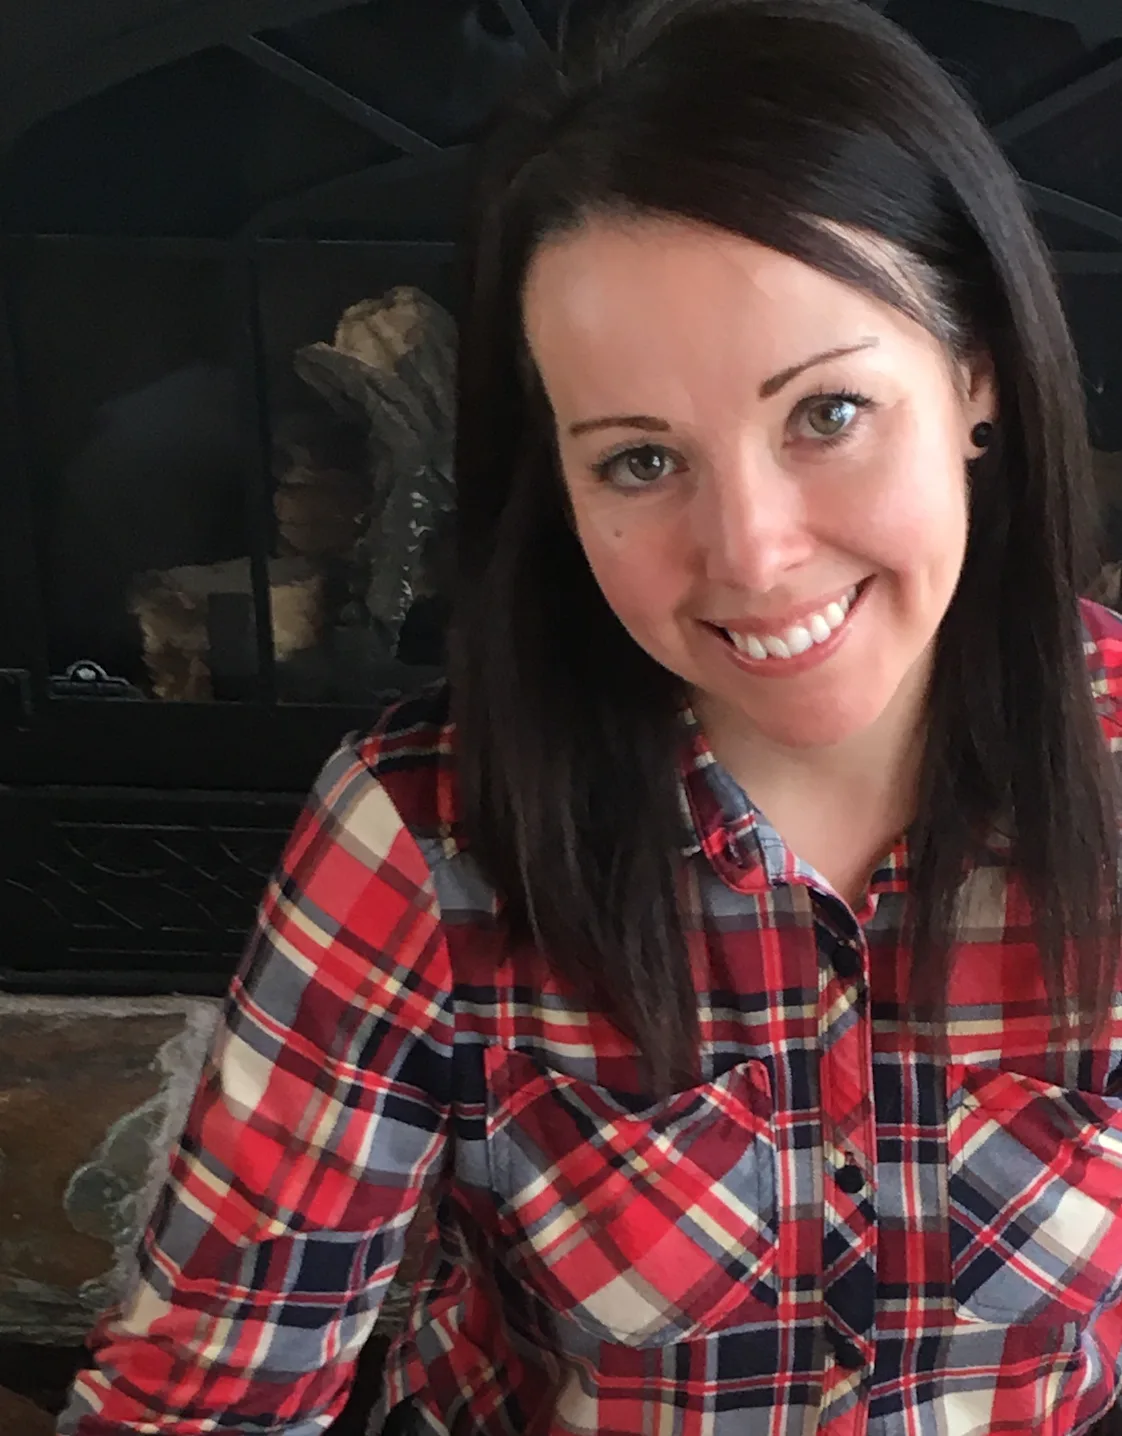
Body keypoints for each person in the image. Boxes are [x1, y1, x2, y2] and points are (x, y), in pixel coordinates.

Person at [59, 0, 1122, 1432]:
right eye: (638, 459)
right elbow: (206, 1392)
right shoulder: (424, 832)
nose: (749, 553)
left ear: (973, 373)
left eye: (824, 415)